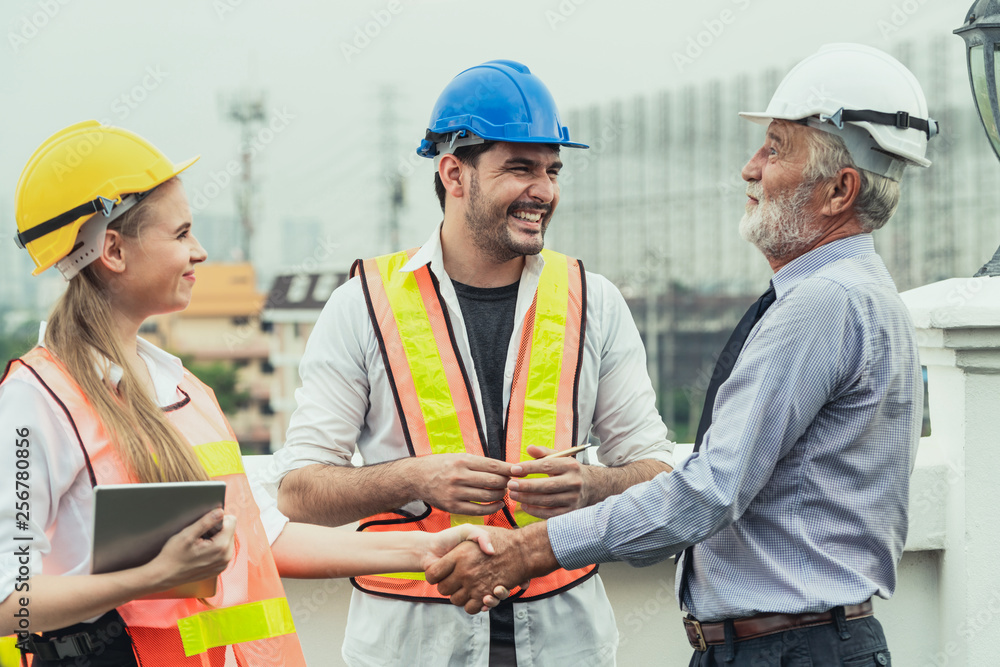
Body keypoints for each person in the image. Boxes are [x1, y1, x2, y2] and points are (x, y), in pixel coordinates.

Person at [426, 43, 936, 666]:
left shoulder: (823, 303)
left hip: (788, 650)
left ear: (840, 189)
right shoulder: (858, 293)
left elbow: (709, 491)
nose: (750, 169)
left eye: (776, 148)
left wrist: (529, 550)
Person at [0, 121, 501, 667]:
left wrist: (427, 549)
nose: (200, 252)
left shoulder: (181, 389)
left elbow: (260, 534)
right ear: (114, 251)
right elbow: (9, 602)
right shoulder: (36, 402)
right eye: (181, 234)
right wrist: (152, 577)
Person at [270, 59, 674, 667]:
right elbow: (299, 493)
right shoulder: (361, 306)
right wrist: (415, 478)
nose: (544, 191)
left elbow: (657, 473)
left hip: (566, 644)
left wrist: (595, 485)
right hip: (411, 648)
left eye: (552, 170)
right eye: (520, 168)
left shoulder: (596, 302)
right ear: (454, 173)